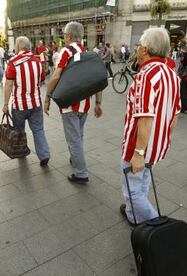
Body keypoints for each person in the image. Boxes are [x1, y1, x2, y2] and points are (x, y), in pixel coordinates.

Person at [119, 27, 181, 225]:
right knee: (143, 180)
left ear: (145, 49)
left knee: (132, 191)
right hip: (158, 143)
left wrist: (138, 152)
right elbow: (176, 111)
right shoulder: (172, 74)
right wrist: (168, 136)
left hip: (139, 144)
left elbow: (145, 117)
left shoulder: (146, 75)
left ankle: (158, 225)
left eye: (138, 46)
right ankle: (133, 215)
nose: (137, 50)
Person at [44, 21, 103, 184]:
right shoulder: (88, 52)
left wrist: (47, 97)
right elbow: (97, 79)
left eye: (64, 35)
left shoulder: (66, 51)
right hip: (85, 104)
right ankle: (75, 158)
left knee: (74, 138)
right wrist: (98, 102)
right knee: (79, 135)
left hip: (69, 104)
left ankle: (81, 173)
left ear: (69, 36)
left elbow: (55, 77)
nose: (64, 38)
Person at [2, 36, 50, 166]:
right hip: (36, 103)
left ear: (18, 47)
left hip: (20, 105)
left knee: (19, 130)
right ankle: (44, 154)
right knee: (38, 130)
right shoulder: (37, 61)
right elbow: (41, 81)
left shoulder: (13, 62)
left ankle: (22, 152)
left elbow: (8, 85)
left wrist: (6, 104)